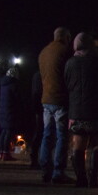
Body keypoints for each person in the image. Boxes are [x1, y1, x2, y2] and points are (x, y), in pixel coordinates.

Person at [65, 33, 98, 187]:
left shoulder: (70, 63)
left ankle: (80, 178)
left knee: (78, 145)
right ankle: (93, 179)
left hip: (77, 110)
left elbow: (67, 83)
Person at [38, 27, 73, 184]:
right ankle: (58, 171)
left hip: (46, 99)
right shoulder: (65, 52)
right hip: (60, 99)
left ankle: (45, 168)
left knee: (47, 135)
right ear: (65, 37)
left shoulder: (44, 52)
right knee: (61, 136)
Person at [0, 67, 21, 161]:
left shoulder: (3, 84)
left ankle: (1, 152)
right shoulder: (13, 84)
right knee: (8, 132)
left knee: (3, 131)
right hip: (10, 110)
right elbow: (17, 97)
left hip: (2, 110)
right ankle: (6, 153)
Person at [29, 71, 42, 169]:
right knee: (39, 133)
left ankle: (35, 158)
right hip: (40, 107)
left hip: (38, 107)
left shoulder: (36, 75)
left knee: (38, 134)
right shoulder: (39, 75)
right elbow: (37, 93)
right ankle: (35, 159)